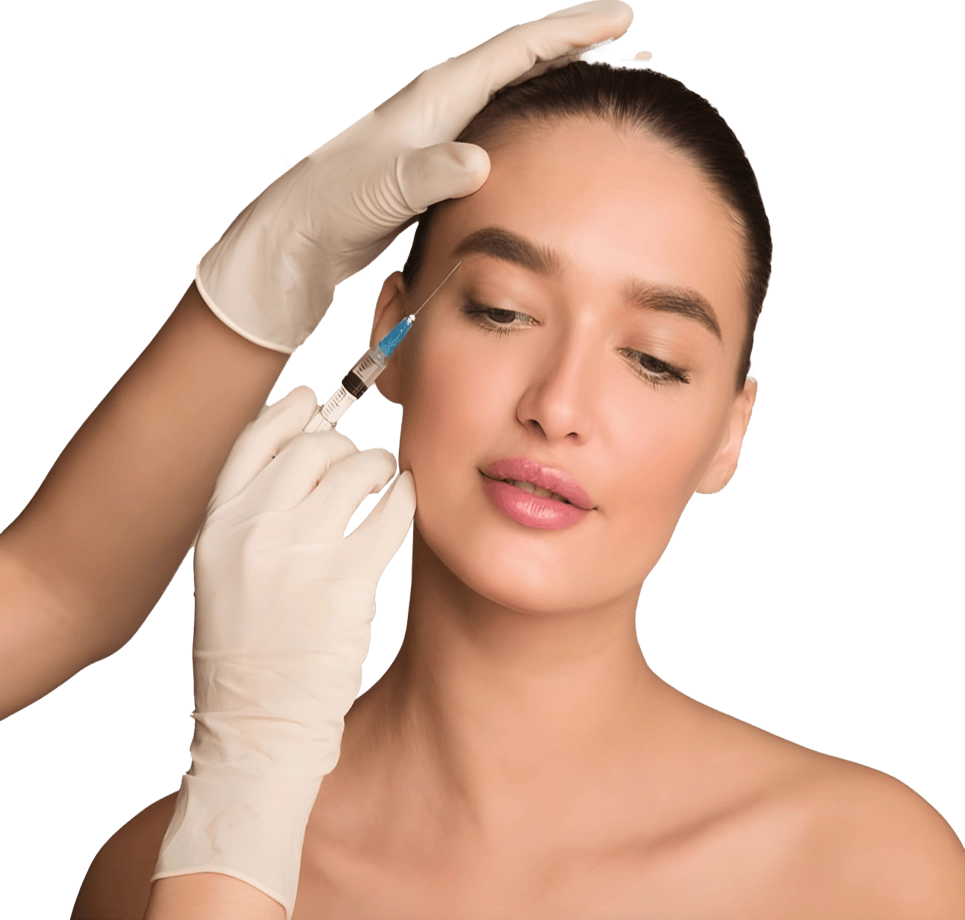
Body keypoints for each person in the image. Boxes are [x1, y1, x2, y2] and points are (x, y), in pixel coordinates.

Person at [72, 36, 965, 920]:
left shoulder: (866, 873)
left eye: (654, 359)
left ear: (728, 436)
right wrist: (241, 796)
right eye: (501, 311)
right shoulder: (169, 869)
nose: (558, 405)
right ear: (392, 334)